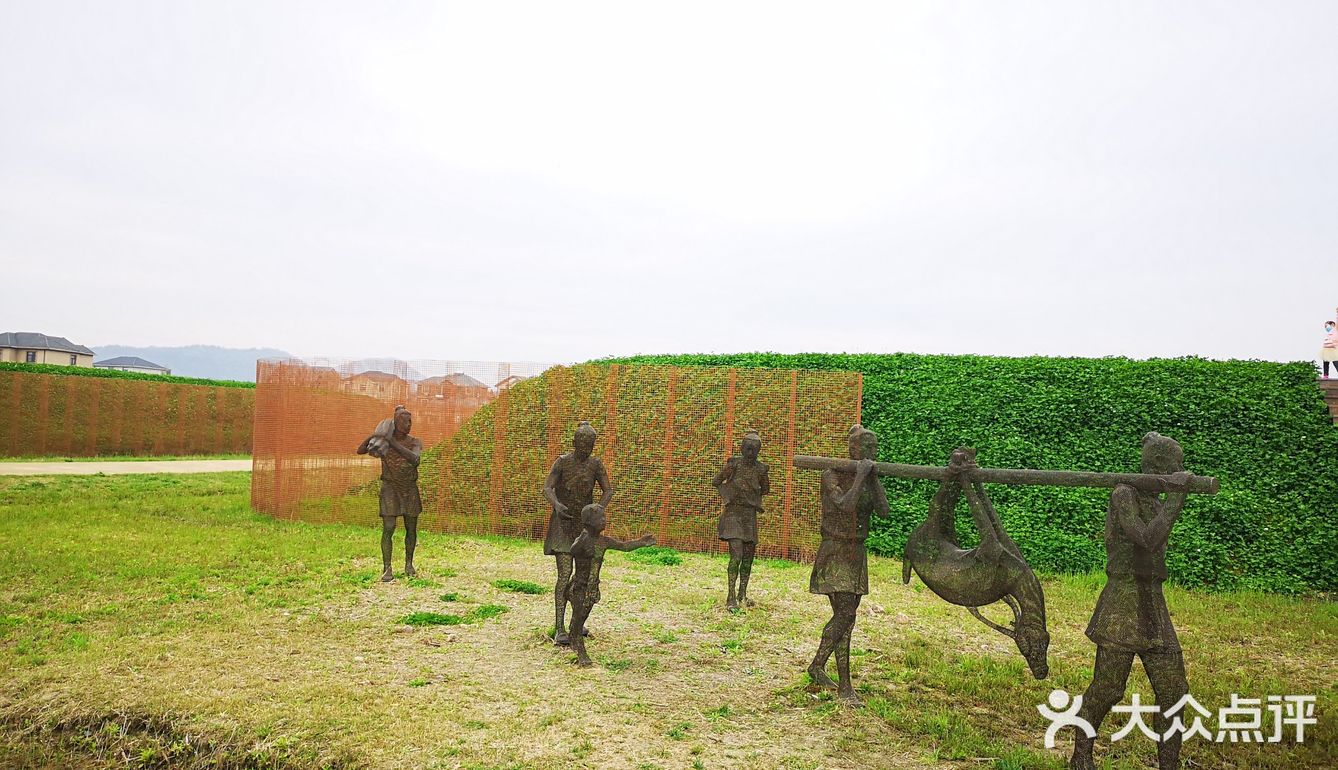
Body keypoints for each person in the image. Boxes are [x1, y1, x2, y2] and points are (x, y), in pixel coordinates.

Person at [1071, 432, 1193, 770]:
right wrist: (1175, 501)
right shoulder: (1123, 494)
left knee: (1174, 690)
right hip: (1123, 602)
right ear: (1156, 466)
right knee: (1108, 689)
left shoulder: (1154, 501)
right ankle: (1081, 755)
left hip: (1152, 602)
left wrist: (1169, 502)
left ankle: (1169, 764)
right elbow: (1145, 540)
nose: (1181, 470)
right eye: (1175, 466)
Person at [806, 424, 888, 706]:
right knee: (845, 615)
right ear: (852, 450)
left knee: (848, 617)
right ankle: (844, 685)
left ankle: (819, 667)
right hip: (835, 549)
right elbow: (844, 505)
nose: (871, 454)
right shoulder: (832, 475)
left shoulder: (866, 477)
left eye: (874, 449)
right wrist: (861, 476)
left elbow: (885, 512)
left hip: (857, 551)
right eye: (866, 449)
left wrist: (872, 479)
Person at [541, 421, 615, 645]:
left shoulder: (595, 465)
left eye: (589, 445)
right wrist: (556, 504)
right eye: (582, 445)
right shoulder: (562, 462)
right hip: (563, 526)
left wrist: (598, 509)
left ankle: (577, 623)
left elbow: (608, 490)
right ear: (574, 443)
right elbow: (547, 487)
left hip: (583, 528)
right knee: (564, 575)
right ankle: (559, 627)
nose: (586, 449)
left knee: (582, 577)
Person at [566, 504, 655, 667]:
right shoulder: (583, 540)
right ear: (588, 521)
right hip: (579, 587)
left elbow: (624, 546)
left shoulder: (603, 541)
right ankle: (579, 649)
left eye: (604, 517)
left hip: (592, 588)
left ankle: (574, 634)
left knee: (581, 616)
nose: (604, 520)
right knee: (578, 619)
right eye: (600, 518)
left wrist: (641, 542)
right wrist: (583, 537)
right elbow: (573, 550)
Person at [356, 405, 423, 582]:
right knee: (388, 527)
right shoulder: (383, 442)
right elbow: (361, 450)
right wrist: (376, 435)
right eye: (404, 421)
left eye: (410, 421)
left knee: (411, 528)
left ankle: (409, 564)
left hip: (409, 488)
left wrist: (392, 443)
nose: (408, 425)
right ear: (395, 423)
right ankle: (387, 567)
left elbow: (415, 459)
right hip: (390, 488)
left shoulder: (414, 441)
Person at [712, 430, 770, 610]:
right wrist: (729, 491)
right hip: (733, 516)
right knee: (736, 555)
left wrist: (754, 493)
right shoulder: (733, 464)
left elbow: (766, 489)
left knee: (748, 558)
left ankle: (742, 594)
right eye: (748, 448)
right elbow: (716, 481)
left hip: (749, 516)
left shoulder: (761, 469)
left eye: (754, 449)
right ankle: (731, 597)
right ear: (742, 448)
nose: (751, 452)